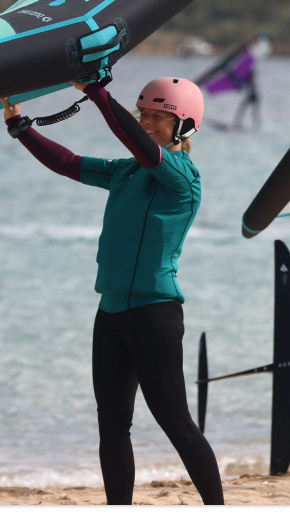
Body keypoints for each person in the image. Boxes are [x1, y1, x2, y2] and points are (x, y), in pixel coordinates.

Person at [3, 78, 223, 505]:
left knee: (175, 422)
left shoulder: (183, 179)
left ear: (185, 126)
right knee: (113, 422)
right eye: (144, 114)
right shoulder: (127, 171)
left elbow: (135, 140)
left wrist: (98, 92)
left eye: (158, 116)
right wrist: (20, 126)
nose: (146, 122)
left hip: (153, 314)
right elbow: (67, 162)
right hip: (111, 313)